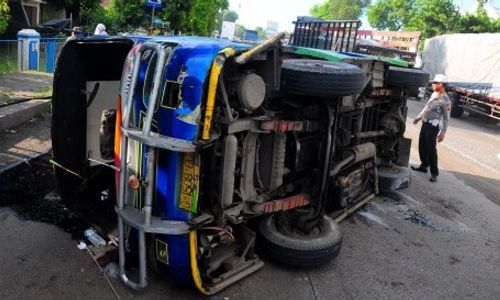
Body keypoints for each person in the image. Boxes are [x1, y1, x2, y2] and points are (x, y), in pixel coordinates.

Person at [411, 74, 451, 182]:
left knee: (431, 149)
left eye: (434, 83)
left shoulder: (445, 100)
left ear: (440, 84)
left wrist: (442, 133)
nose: (432, 84)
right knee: (422, 145)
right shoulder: (434, 94)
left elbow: (446, 119)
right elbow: (426, 107)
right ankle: (424, 166)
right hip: (425, 123)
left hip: (433, 127)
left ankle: (434, 173)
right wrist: (419, 117)